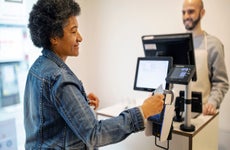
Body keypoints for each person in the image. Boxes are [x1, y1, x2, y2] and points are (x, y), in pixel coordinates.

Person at [23, 0, 164, 149]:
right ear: (54, 38)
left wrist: (79, 102)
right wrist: (143, 111)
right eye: (73, 31)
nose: (80, 38)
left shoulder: (37, 68)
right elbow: (95, 134)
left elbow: (47, 117)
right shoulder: (59, 78)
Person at [182, 0, 229, 115]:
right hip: (177, 113)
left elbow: (221, 82)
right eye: (183, 12)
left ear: (202, 13)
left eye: (191, 11)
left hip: (202, 115)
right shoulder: (179, 43)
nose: (186, 16)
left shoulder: (214, 44)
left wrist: (212, 103)